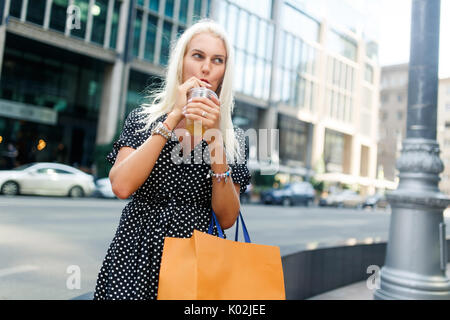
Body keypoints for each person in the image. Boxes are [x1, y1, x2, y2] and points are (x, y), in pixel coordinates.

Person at [93, 19, 251, 300]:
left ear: (225, 71)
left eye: (218, 60)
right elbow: (121, 187)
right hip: (136, 251)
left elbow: (227, 218)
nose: (206, 68)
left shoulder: (233, 138)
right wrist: (173, 116)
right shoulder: (143, 120)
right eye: (198, 56)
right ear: (182, 61)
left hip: (198, 255)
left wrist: (215, 139)